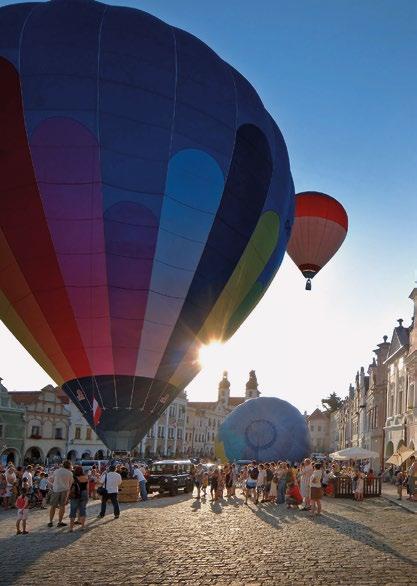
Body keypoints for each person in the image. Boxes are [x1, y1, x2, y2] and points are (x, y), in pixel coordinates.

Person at [48, 460, 74, 528]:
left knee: (53, 506)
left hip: (56, 490)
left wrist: (52, 486)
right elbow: (70, 484)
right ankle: (60, 522)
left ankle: (50, 521)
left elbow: (51, 479)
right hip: (64, 490)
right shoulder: (70, 473)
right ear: (69, 465)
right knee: (62, 506)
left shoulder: (57, 471)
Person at [69, 465, 88, 532]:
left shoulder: (73, 478)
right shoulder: (85, 477)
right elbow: (87, 488)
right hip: (84, 493)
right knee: (83, 510)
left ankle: (71, 528)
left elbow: (70, 487)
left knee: (73, 510)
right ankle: (82, 527)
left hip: (75, 495)